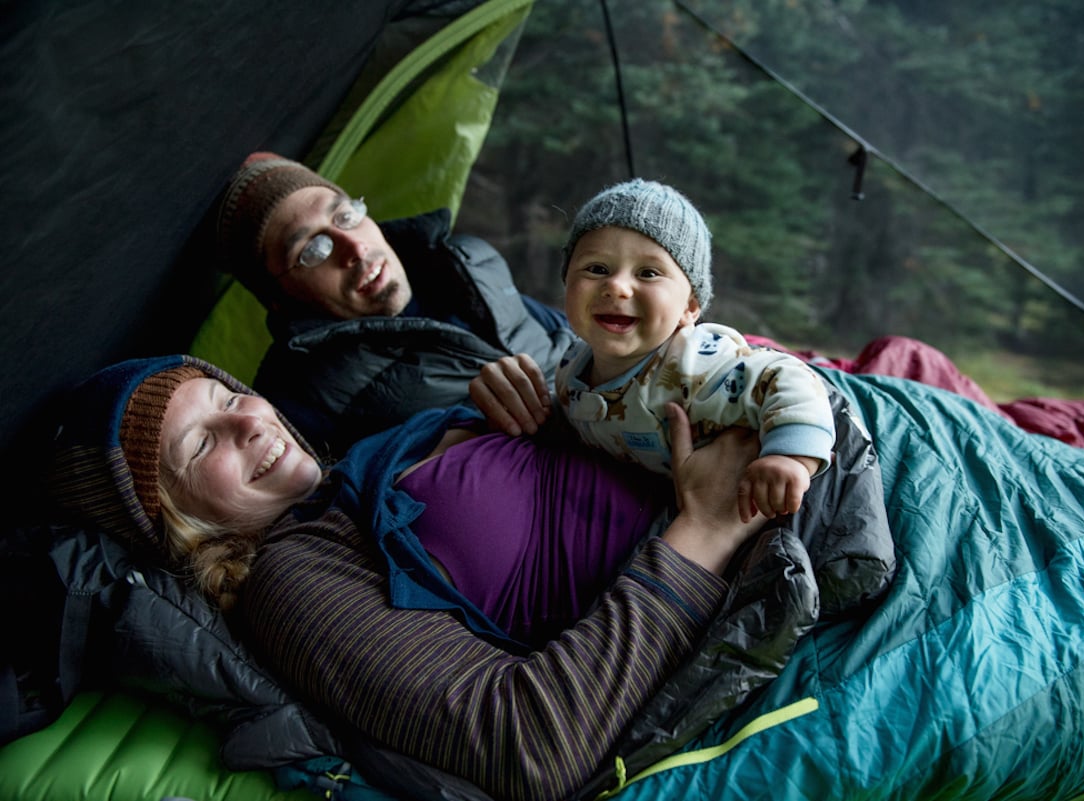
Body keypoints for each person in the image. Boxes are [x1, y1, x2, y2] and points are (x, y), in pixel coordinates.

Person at [47, 354, 785, 801]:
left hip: (776, 470)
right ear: (173, 522)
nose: (248, 422)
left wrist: (555, 394)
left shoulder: (356, 476)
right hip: (754, 555)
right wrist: (700, 536)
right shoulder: (290, 584)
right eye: (202, 441)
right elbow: (529, 742)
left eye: (228, 395)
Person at [471, 178, 837, 523]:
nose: (616, 287)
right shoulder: (572, 367)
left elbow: (790, 376)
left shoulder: (697, 363)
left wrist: (790, 457)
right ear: (567, 282)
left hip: (782, 477)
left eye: (647, 273)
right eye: (597, 268)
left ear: (690, 308)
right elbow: (581, 427)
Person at [211, 152, 577, 458]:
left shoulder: (468, 260)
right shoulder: (299, 400)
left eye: (345, 216)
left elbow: (573, 339)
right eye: (313, 250)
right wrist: (476, 436)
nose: (353, 248)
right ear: (279, 299)